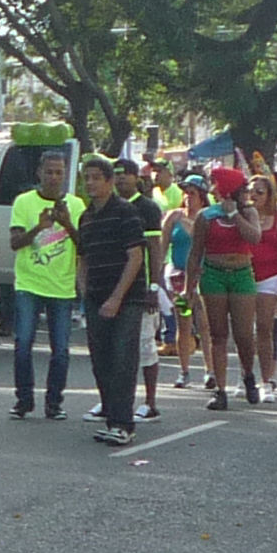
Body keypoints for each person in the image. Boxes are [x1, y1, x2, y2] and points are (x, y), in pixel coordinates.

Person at [74, 157, 149, 446]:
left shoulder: (125, 212)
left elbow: (135, 256)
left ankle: (123, 422)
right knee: (101, 359)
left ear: (108, 181)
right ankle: (110, 415)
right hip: (96, 297)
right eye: (86, 178)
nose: (91, 183)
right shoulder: (86, 217)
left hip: (126, 298)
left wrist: (117, 296)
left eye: (96, 177)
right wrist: (84, 289)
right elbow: (84, 258)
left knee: (122, 359)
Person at [8, 148, 83, 420]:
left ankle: (54, 402)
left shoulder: (77, 206)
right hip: (29, 283)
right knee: (23, 343)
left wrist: (66, 223)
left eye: (59, 172)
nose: (53, 177)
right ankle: (24, 400)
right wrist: (39, 228)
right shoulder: (24, 202)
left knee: (61, 350)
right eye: (49, 172)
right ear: (39, 173)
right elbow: (15, 243)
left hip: (62, 287)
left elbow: (84, 245)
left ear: (66, 175)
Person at [184, 166, 261, 411]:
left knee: (244, 334)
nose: (214, 189)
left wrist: (234, 215)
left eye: (218, 184)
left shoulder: (248, 212)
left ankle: (248, 375)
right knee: (218, 334)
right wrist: (189, 287)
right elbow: (195, 253)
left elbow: (254, 237)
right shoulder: (206, 216)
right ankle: (220, 389)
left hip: (241, 275)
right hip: (214, 275)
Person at [115, 158, 166, 422]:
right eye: (116, 175)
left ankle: (150, 401)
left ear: (136, 177)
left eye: (125, 175)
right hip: (113, 285)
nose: (120, 179)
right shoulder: (109, 206)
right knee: (114, 348)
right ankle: (112, 401)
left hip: (141, 287)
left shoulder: (147, 208)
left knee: (145, 344)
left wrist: (154, 286)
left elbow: (154, 249)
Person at [161, 176, 207, 388]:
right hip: (179, 278)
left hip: (203, 277)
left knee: (205, 324)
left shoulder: (207, 218)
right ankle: (184, 371)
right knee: (184, 322)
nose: (189, 197)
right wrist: (156, 275)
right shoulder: (174, 217)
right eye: (186, 193)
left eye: (193, 193)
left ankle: (210, 370)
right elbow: (162, 247)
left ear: (202, 196)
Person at [250, 172, 277, 400]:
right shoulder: (243, 217)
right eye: (250, 191)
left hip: (270, 277)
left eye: (259, 192)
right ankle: (246, 376)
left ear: (269, 195)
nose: (254, 196)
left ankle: (267, 381)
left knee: (264, 328)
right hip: (244, 276)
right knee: (244, 331)